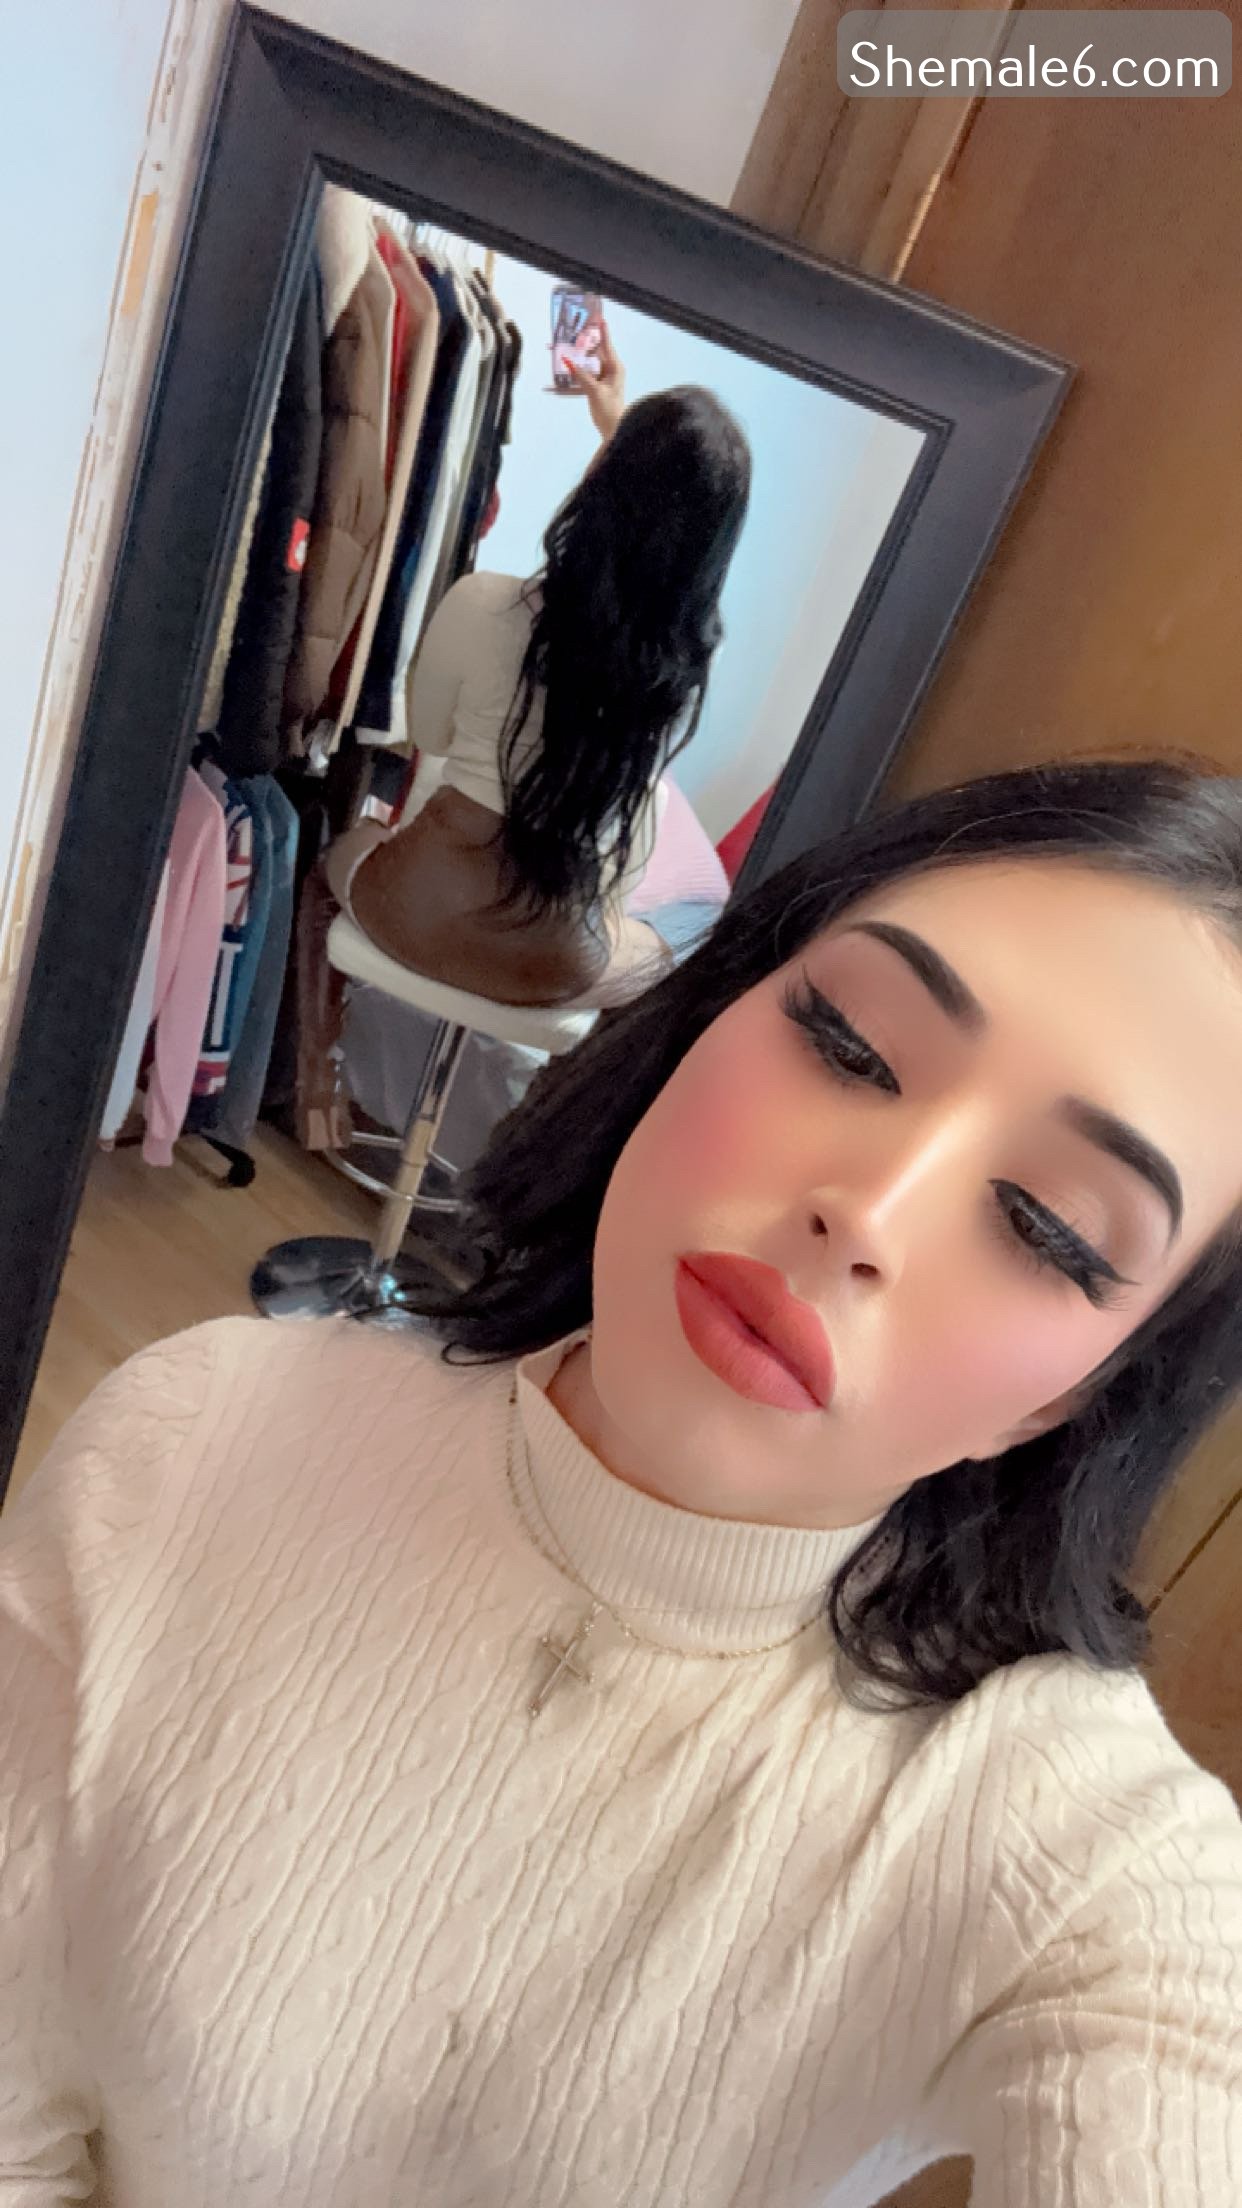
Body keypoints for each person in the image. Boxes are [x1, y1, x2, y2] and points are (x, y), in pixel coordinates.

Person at [3, 756, 1242, 2206]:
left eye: (1047, 1227)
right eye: (849, 1045)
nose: (868, 1213)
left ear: (1063, 1401)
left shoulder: (1080, 1855)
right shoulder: (192, 1438)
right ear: (711, 1015)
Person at [326, 325, 752, 1008]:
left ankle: (313, 1061)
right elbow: (652, 546)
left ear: (599, 489)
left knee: (346, 847)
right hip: (549, 964)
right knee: (671, 939)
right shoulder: (687, 671)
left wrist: (620, 439)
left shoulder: (483, 603)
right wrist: (619, 428)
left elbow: (430, 735)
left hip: (412, 911)